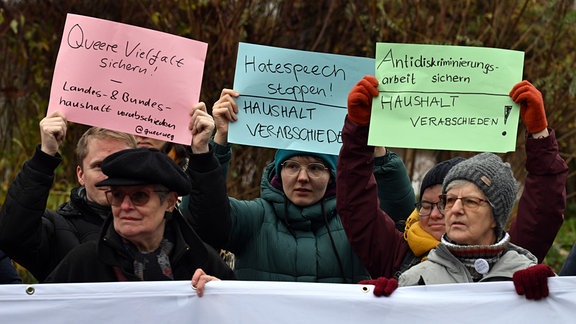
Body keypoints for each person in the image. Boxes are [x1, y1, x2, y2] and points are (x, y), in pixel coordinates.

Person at [337, 76, 568, 282]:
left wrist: (540, 135)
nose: (445, 212)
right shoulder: (398, 257)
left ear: (494, 217)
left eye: (469, 201)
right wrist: (358, 131)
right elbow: (356, 205)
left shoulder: (512, 259)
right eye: (428, 205)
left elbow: (542, 211)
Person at [211, 89, 415, 232]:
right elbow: (205, 218)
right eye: (291, 166)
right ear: (277, 171)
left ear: (332, 175)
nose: (302, 178)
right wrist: (220, 140)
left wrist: (377, 148)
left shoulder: (355, 226)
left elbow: (400, 223)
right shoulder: (253, 220)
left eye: (316, 168)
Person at [44, 147, 235, 285]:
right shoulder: (84, 262)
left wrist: (219, 298)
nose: (125, 206)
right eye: (117, 195)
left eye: (139, 196)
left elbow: (240, 314)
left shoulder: (202, 260)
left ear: (169, 202)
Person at [395, 152, 555, 300]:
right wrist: (380, 303)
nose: (455, 210)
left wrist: (549, 292)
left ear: (495, 217)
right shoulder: (415, 280)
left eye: (470, 201)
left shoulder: (530, 280)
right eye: (450, 200)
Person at [0, 112, 138, 282]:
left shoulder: (158, 225)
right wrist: (44, 157)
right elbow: (12, 235)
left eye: (120, 165)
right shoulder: (56, 229)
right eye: (99, 166)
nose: (110, 175)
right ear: (81, 175)